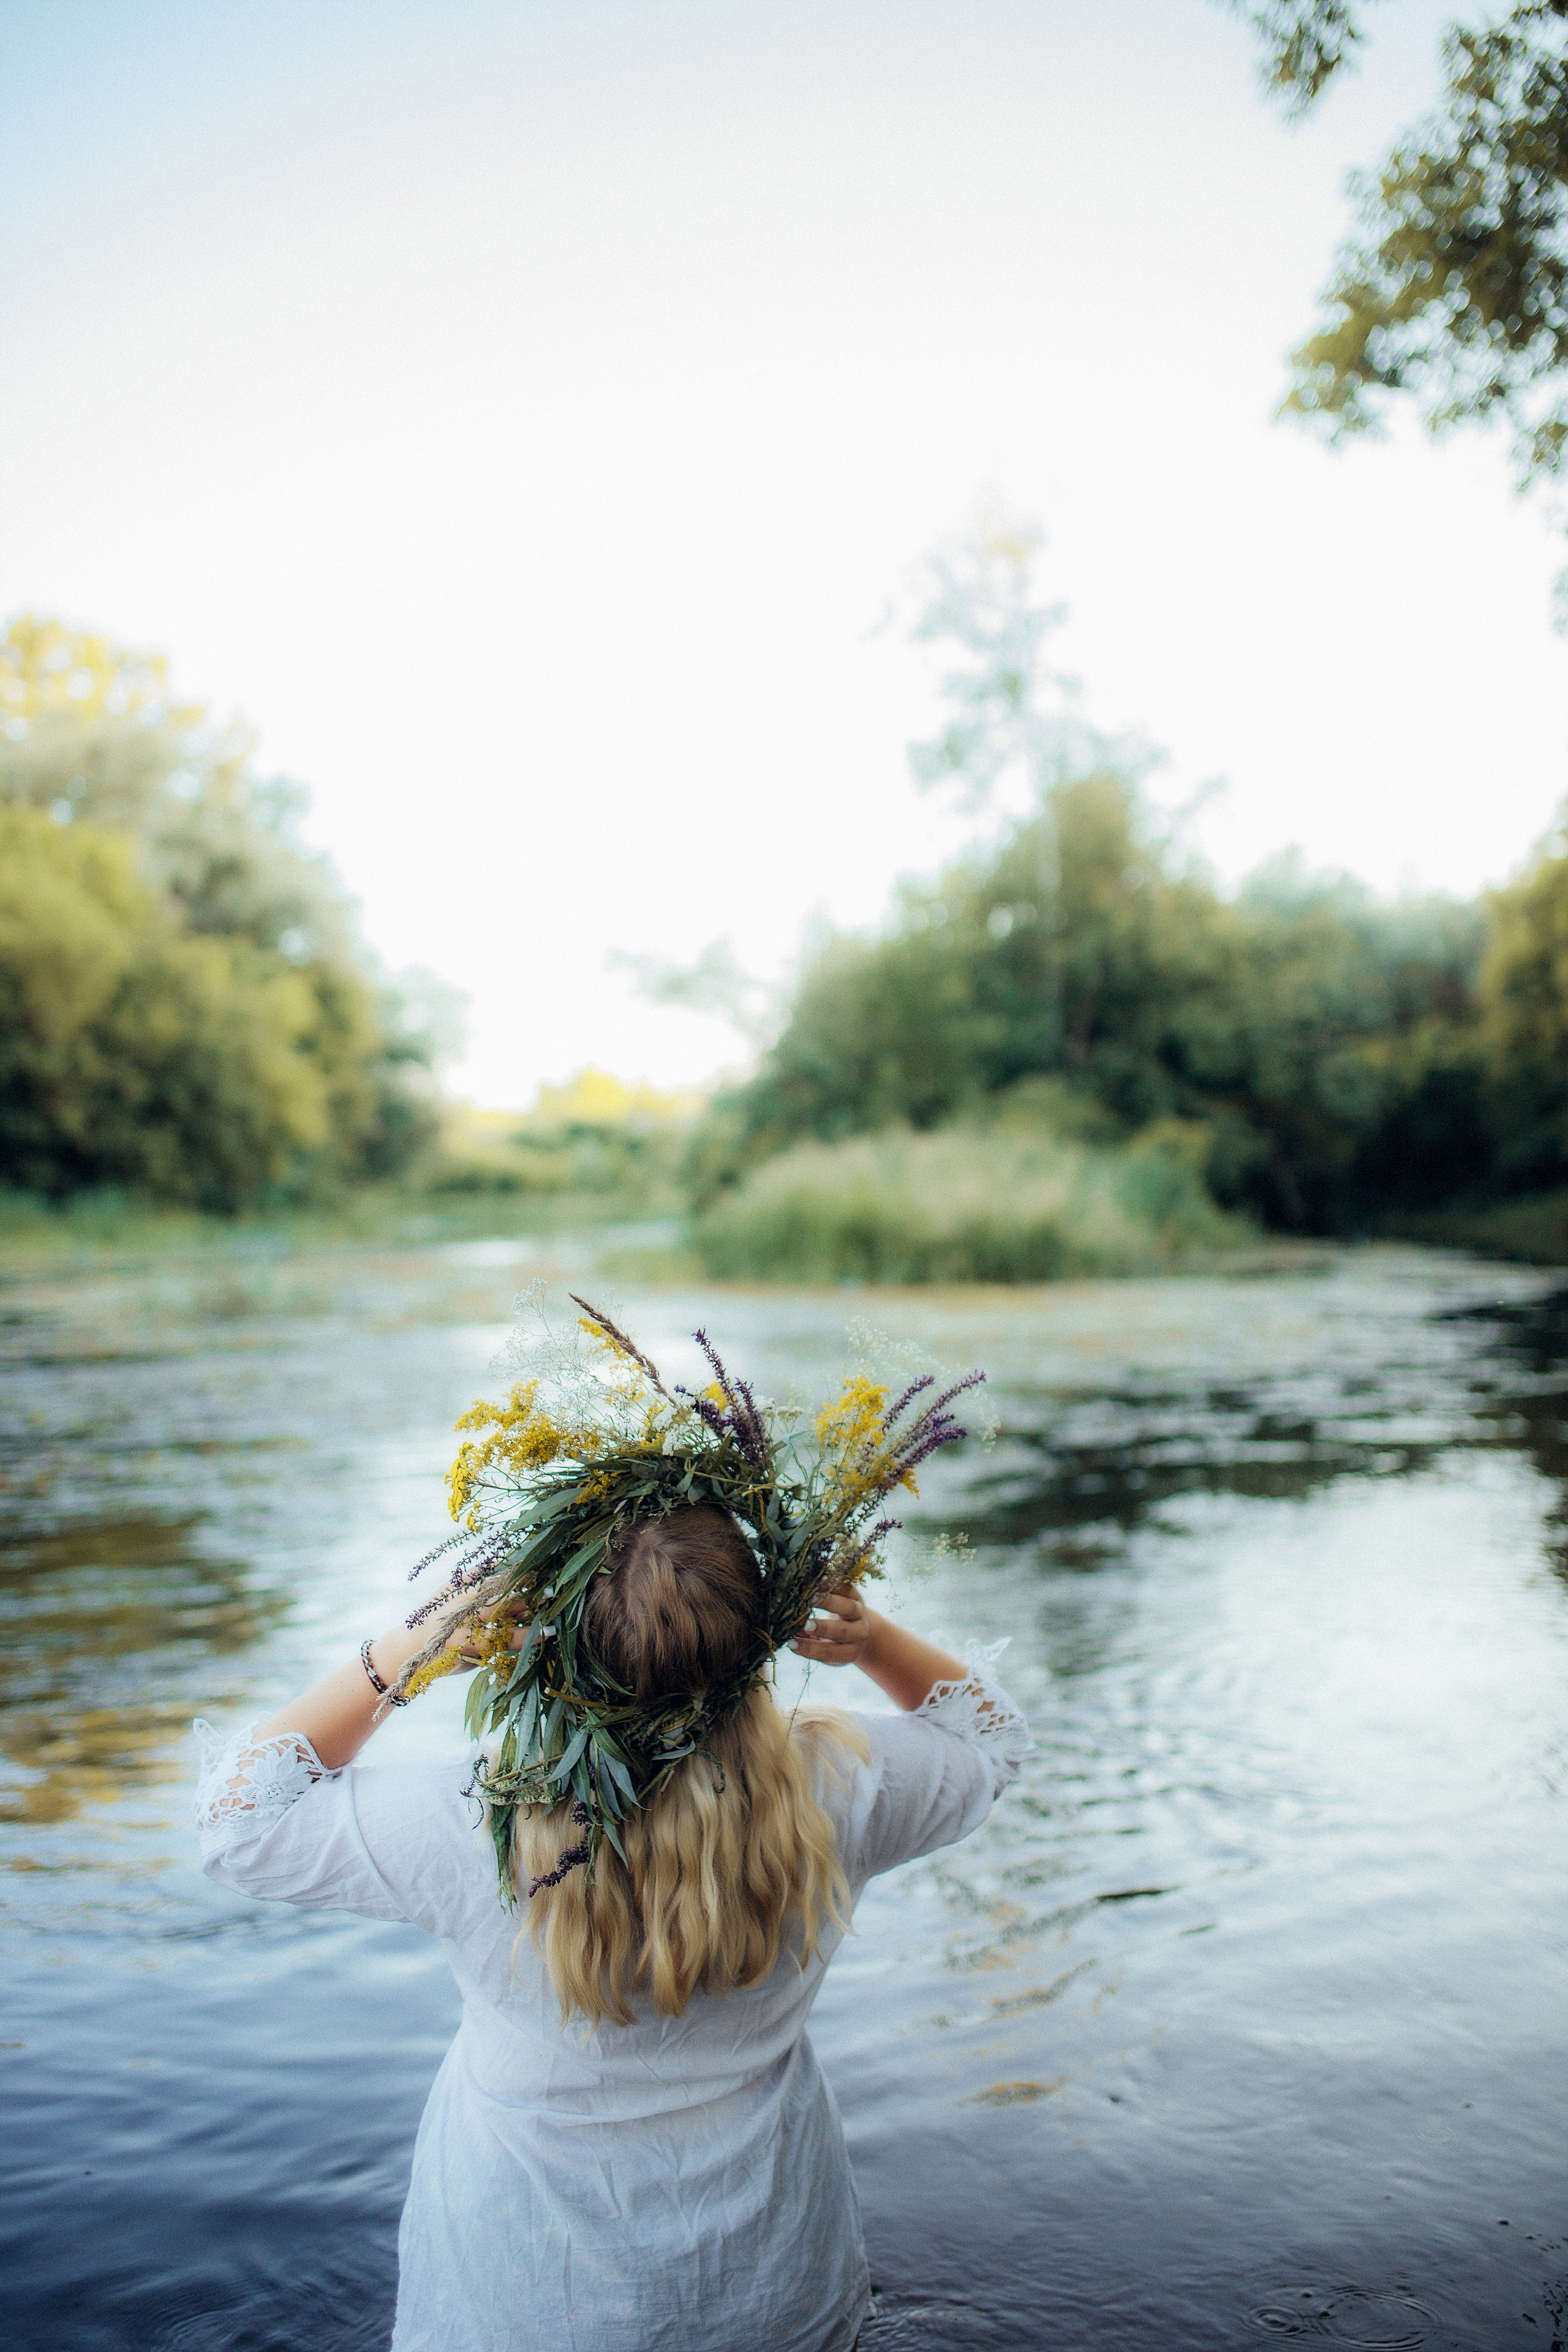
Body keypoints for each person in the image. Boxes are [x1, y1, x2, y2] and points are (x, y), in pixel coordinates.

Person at [195, 1320, 1031, 2352]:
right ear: (763, 1629)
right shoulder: (841, 1785)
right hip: (771, 2292)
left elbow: (237, 1817)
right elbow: (988, 1740)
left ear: (554, 1644)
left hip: (518, 2300)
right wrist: (876, 1642)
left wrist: (404, 1651)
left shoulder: (474, 1820)